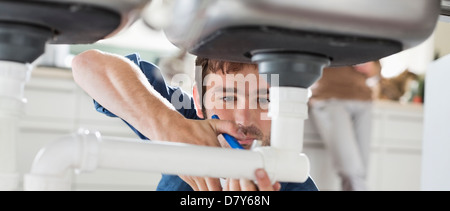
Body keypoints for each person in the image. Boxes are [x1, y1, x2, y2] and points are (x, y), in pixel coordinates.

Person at [71, 49, 318, 191]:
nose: (244, 118)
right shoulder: (184, 122)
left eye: (264, 99)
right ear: (199, 101)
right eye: (228, 97)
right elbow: (87, 64)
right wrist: (169, 125)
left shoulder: (294, 180)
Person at [308, 61, 381, 191]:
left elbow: (377, 68)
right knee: (351, 170)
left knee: (360, 172)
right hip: (329, 97)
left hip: (364, 100)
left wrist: (372, 67)